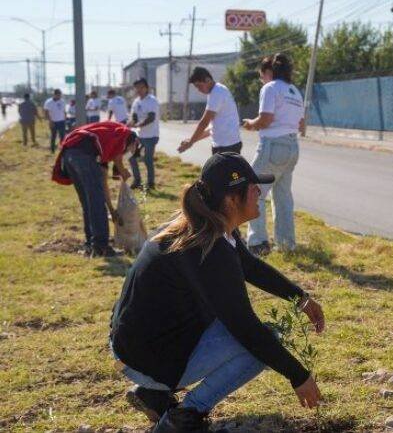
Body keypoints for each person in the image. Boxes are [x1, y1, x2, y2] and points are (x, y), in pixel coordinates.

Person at [110, 152, 324, 432]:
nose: (260, 192)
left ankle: (153, 394)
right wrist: (299, 375)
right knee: (265, 340)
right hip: (144, 358)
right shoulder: (209, 250)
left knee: (245, 332)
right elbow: (246, 328)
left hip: (134, 348)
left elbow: (249, 266)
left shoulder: (206, 226)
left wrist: (300, 298)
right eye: (253, 187)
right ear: (231, 199)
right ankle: (184, 416)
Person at [242, 54, 305, 256]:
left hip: (273, 146)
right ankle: (286, 244)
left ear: (268, 72)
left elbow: (266, 119)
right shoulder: (295, 91)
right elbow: (302, 125)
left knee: (253, 190)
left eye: (262, 76)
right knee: (283, 196)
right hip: (292, 146)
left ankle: (258, 242)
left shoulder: (270, 88)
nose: (262, 80)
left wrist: (252, 124)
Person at [52, 121, 138, 258]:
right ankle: (101, 247)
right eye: (130, 151)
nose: (127, 154)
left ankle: (91, 243)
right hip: (82, 156)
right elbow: (118, 158)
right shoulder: (125, 133)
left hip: (70, 156)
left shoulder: (104, 149)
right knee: (95, 203)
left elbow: (103, 184)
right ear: (135, 142)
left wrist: (112, 210)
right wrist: (122, 170)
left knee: (89, 203)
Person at [178, 67, 242, 155]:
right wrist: (192, 140)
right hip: (224, 146)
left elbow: (204, 122)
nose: (199, 90)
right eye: (196, 87)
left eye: (199, 86)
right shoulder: (215, 92)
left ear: (208, 80)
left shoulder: (217, 92)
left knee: (213, 169)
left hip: (227, 147)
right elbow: (211, 129)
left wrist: (190, 143)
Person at [128, 78, 160, 190]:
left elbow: (151, 117)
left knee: (147, 159)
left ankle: (150, 183)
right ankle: (137, 181)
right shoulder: (136, 101)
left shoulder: (152, 100)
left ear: (146, 88)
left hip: (151, 136)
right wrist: (131, 122)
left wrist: (139, 125)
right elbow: (134, 116)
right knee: (131, 157)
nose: (139, 89)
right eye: (137, 87)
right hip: (139, 135)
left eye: (141, 87)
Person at [44, 89, 68, 153]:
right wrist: (50, 121)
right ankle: (52, 150)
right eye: (58, 95)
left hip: (61, 121)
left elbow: (64, 111)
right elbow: (46, 112)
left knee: (62, 136)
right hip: (53, 121)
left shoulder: (62, 101)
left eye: (60, 95)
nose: (59, 96)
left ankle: (62, 150)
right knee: (53, 136)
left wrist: (65, 119)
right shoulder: (48, 102)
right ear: (54, 95)